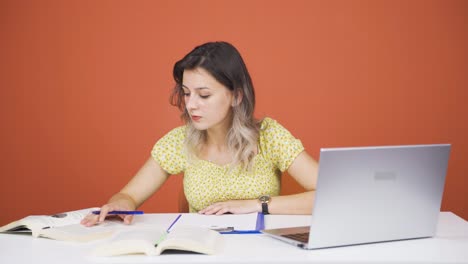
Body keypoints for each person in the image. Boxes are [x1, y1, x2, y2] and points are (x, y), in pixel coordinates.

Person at [81, 41, 318, 227]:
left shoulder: (269, 136)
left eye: (203, 95)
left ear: (236, 96)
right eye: (186, 93)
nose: (191, 105)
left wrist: (255, 205)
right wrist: (119, 205)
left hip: (261, 251)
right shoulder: (178, 141)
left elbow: (330, 196)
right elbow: (128, 195)